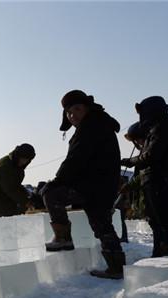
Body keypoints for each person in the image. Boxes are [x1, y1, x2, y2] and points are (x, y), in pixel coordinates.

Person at [42, 90, 124, 279]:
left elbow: (76, 159)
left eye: (77, 109)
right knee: (102, 225)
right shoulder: (99, 124)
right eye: (68, 113)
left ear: (87, 108)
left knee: (51, 193)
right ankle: (116, 267)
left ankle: (63, 238)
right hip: (101, 185)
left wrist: (57, 181)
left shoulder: (91, 126)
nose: (73, 116)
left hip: (92, 185)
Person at [120, 96, 168, 261]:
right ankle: (165, 254)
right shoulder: (166, 127)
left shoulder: (162, 127)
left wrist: (129, 161)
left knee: (167, 222)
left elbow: (152, 156)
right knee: (164, 222)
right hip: (161, 181)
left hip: (161, 182)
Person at [0, 143, 35, 217]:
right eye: (23, 159)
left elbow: (16, 186)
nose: (24, 162)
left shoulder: (18, 168)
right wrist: (25, 201)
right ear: (18, 156)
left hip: (8, 207)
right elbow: (10, 188)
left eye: (27, 160)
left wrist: (28, 196)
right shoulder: (4, 166)